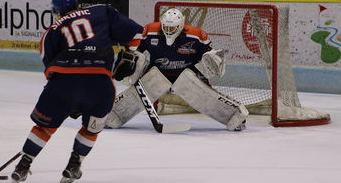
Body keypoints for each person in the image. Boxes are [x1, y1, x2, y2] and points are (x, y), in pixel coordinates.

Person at [10, 0, 143, 183]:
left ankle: (23, 165)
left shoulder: (52, 31)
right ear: (77, 3)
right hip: (100, 84)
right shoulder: (102, 11)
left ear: (56, 11)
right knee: (91, 129)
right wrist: (129, 53)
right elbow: (136, 34)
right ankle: (74, 164)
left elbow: (49, 70)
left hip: (64, 83)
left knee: (44, 127)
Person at [105, 8, 248, 131]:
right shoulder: (149, 31)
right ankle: (112, 116)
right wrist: (130, 58)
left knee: (203, 95)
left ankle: (234, 117)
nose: (168, 31)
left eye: (171, 28)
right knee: (151, 82)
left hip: (188, 75)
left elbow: (209, 57)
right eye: (165, 27)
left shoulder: (196, 36)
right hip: (158, 73)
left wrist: (213, 61)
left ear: (180, 26)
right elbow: (134, 50)